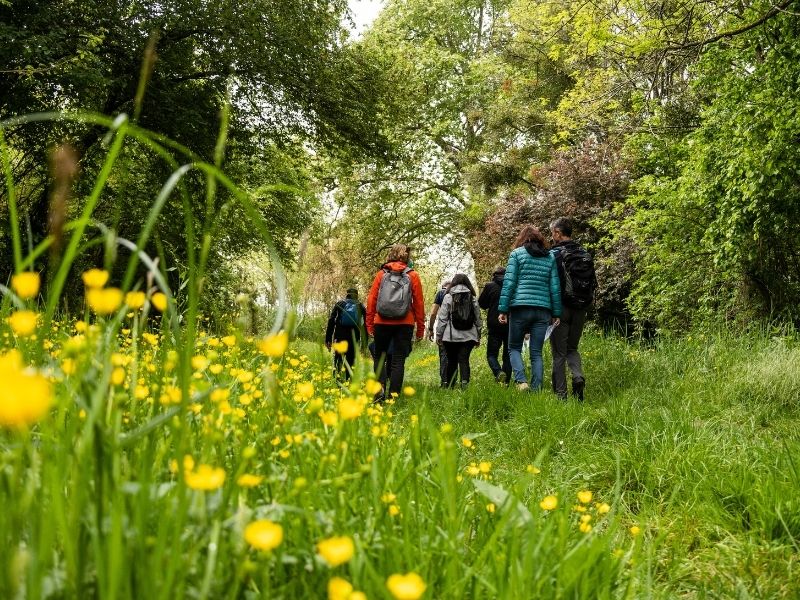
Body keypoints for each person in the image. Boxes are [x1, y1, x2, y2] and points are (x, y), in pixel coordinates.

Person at [498, 225, 561, 392]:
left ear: (522, 239)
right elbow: (554, 286)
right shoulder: (550, 257)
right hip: (543, 310)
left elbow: (509, 283)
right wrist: (556, 312)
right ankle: (537, 389)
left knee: (514, 347)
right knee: (536, 353)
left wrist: (503, 309)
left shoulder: (516, 254)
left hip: (520, 308)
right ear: (540, 239)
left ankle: (521, 381)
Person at [366, 244, 426, 402]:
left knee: (379, 357)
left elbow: (371, 300)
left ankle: (379, 392)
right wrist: (420, 329)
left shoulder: (381, 274)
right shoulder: (413, 275)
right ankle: (393, 398)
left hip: (381, 322)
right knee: (398, 360)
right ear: (407, 256)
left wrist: (370, 324)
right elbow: (419, 304)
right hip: (405, 323)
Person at [549, 217, 596, 401]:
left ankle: (561, 396)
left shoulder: (553, 254)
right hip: (581, 307)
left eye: (552, 232)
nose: (551, 236)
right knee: (572, 348)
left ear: (558, 233)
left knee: (559, 353)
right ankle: (578, 376)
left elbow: (549, 283)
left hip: (561, 308)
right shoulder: (584, 253)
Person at [435, 274, 482, 389]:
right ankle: (464, 385)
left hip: (450, 337)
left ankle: (450, 385)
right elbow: (478, 318)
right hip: (469, 336)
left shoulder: (448, 297)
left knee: (452, 360)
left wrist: (439, 335)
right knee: (464, 360)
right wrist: (478, 335)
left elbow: (442, 318)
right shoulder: (472, 297)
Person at [325, 287, 366, 381]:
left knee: (338, 359)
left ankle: (337, 380)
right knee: (351, 360)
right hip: (354, 337)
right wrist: (364, 344)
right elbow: (364, 325)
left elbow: (331, 321)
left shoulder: (340, 304)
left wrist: (328, 339)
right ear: (357, 295)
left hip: (340, 336)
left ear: (346, 294)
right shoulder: (361, 306)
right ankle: (349, 380)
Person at [478, 266, 511, 384]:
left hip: (494, 324)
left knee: (491, 354)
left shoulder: (489, 286)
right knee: (508, 355)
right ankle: (506, 382)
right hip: (510, 324)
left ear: (494, 275)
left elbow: (482, 304)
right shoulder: (512, 285)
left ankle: (498, 372)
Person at [427, 279, 451, 387]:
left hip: (445, 328)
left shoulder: (441, 293)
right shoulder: (461, 292)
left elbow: (433, 313)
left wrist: (431, 329)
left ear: (443, 286)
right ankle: (455, 381)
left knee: (444, 355)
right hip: (460, 330)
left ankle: (444, 382)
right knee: (456, 356)